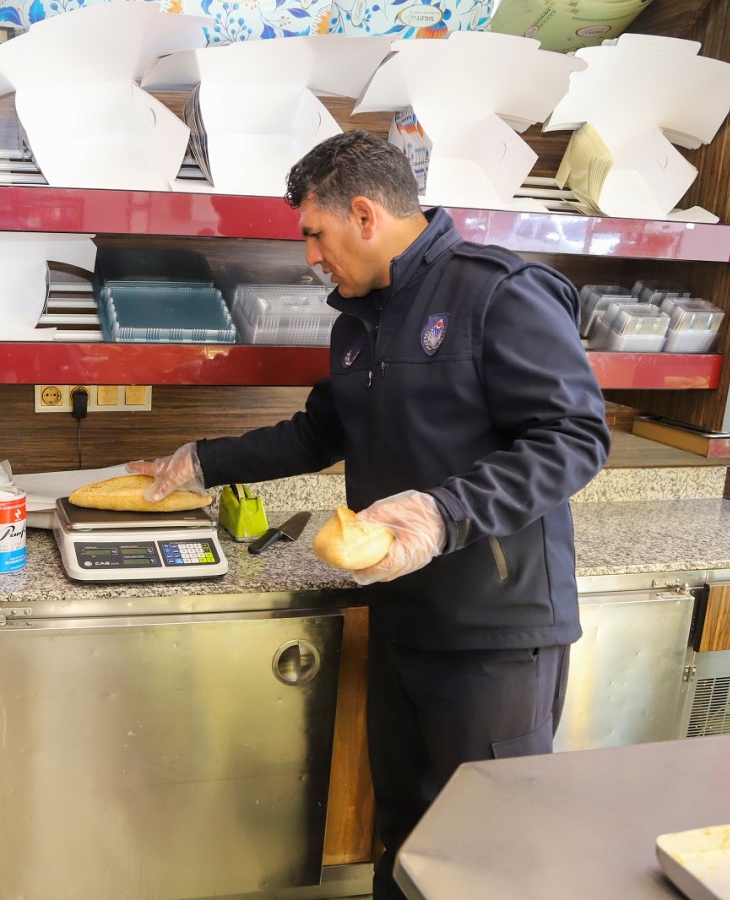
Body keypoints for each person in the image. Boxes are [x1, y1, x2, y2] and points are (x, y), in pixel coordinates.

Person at [129, 130, 610, 900]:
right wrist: (202, 463)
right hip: (400, 616)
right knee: (409, 834)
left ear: (362, 214)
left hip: (493, 631)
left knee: (487, 854)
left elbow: (575, 438)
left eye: (314, 233)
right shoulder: (359, 318)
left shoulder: (497, 291)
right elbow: (321, 432)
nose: (310, 256)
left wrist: (442, 511)